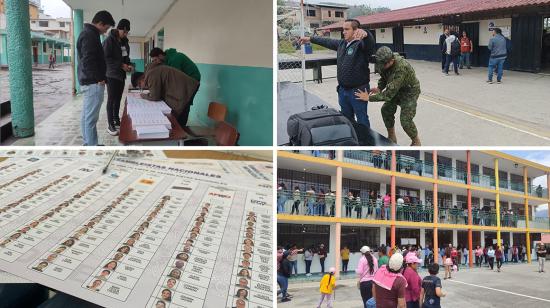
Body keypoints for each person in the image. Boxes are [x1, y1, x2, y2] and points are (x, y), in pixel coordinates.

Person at [298, 19, 375, 128]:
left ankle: (367, 142)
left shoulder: (362, 45)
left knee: (362, 119)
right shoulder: (341, 44)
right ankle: (351, 139)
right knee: (346, 118)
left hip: (358, 91)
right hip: (343, 90)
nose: (343, 32)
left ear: (356, 30)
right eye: (343, 29)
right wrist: (310, 39)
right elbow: (326, 41)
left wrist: (366, 34)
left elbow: (370, 43)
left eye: (347, 29)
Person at [355, 46, 422, 146]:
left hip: (409, 92)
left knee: (405, 120)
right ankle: (392, 136)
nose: (380, 66)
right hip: (396, 89)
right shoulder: (383, 62)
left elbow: (388, 95)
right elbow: (384, 76)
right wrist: (379, 88)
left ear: (391, 61)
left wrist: (369, 98)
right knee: (386, 110)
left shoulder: (401, 68)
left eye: (383, 64)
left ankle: (416, 141)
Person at [77, 10, 115, 146]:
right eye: (106, 27)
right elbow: (88, 60)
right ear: (100, 23)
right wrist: (100, 78)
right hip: (93, 82)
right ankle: (92, 147)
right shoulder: (89, 36)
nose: (106, 30)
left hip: (89, 80)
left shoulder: (88, 34)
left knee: (86, 116)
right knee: (91, 119)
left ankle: (88, 143)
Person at [130, 63, 199, 129]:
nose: (141, 87)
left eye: (139, 85)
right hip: (186, 87)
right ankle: (181, 131)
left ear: (142, 78)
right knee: (177, 111)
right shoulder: (151, 72)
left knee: (180, 113)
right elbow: (157, 91)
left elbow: (155, 96)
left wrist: (143, 96)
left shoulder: (151, 75)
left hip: (187, 88)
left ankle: (181, 134)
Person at [149, 47, 201, 126]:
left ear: (160, 55)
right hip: (184, 81)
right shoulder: (166, 61)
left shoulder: (175, 59)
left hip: (192, 81)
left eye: (155, 60)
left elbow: (174, 80)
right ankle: (177, 124)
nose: (155, 62)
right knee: (177, 101)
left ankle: (181, 128)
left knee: (184, 103)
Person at [103, 18, 132, 135]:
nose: (125, 34)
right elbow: (105, 58)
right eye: (123, 31)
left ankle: (116, 119)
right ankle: (110, 124)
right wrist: (121, 65)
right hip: (111, 74)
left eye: (127, 32)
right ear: (118, 29)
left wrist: (129, 65)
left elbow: (126, 58)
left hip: (121, 75)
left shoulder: (125, 42)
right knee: (111, 99)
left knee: (118, 98)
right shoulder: (109, 41)